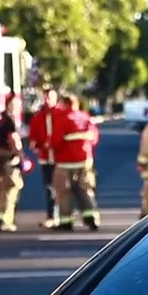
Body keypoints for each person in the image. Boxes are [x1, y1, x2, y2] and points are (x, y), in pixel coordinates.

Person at [51, 94, 100, 231]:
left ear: (65, 105)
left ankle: (66, 222)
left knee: (64, 192)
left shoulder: (63, 120)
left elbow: (55, 141)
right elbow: (94, 139)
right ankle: (91, 218)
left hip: (65, 163)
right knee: (86, 189)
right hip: (85, 161)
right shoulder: (86, 118)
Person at [26, 87, 64, 229]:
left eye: (50, 98)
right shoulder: (38, 117)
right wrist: (35, 144)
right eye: (45, 97)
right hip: (45, 158)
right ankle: (51, 216)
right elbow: (33, 137)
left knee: (62, 189)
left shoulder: (61, 115)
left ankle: (63, 216)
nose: (47, 101)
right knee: (49, 188)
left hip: (61, 159)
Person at [0, 93, 24, 232]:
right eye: (16, 105)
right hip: (9, 158)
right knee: (11, 189)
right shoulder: (10, 121)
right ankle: (6, 220)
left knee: (2, 189)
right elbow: (13, 139)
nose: (18, 108)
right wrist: (20, 156)